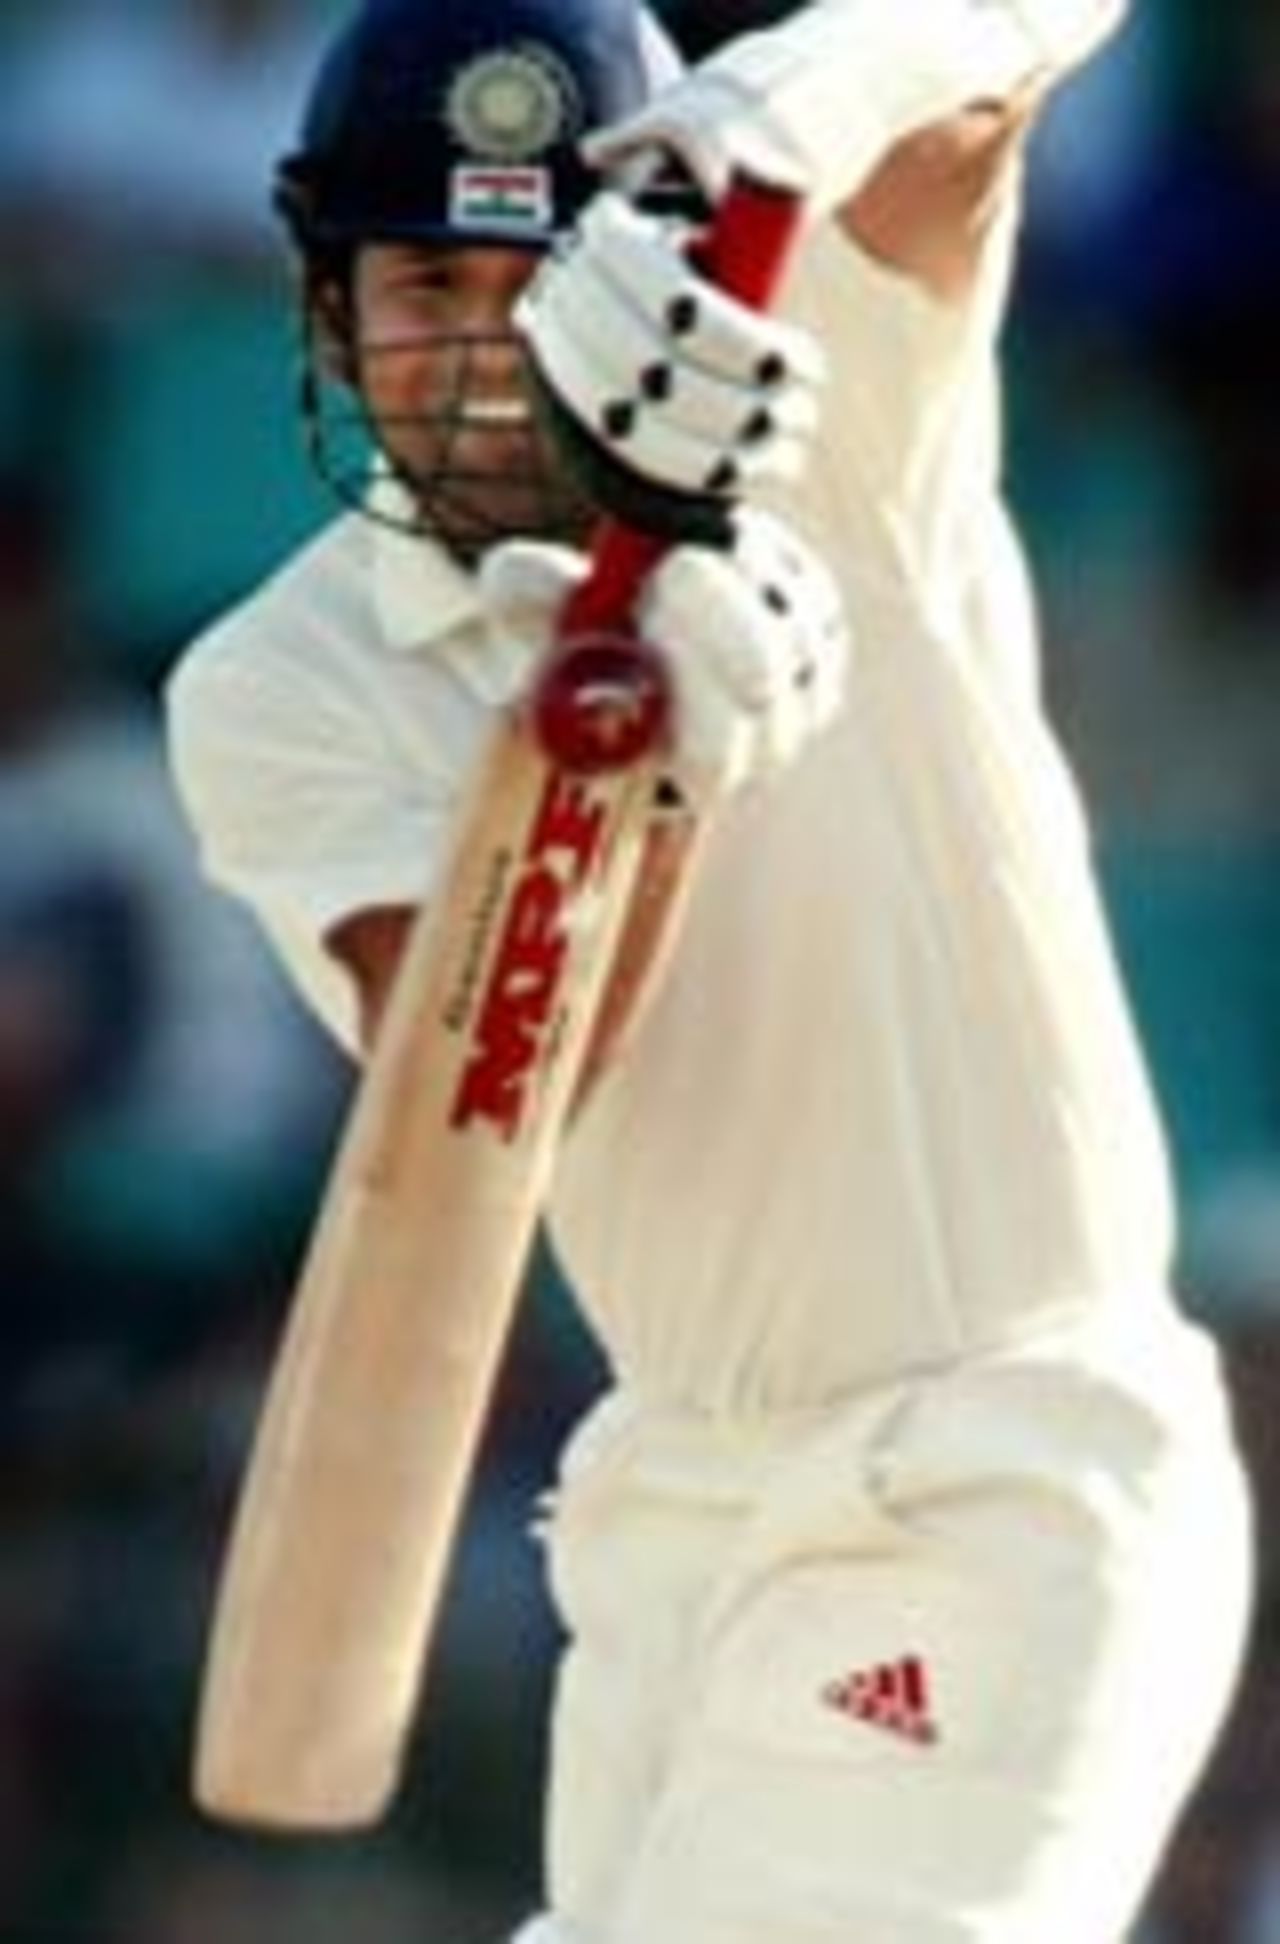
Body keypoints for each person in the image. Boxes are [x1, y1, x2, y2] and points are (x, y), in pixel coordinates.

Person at [166, 0, 1255, 1937]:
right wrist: (639, 773)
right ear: (330, 312)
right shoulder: (278, 685)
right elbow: (486, 1100)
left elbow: (1015, 59)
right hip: (664, 1513)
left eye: (538, 277)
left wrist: (818, 87)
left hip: (990, 1470)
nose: (487, 346)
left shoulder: (839, 392)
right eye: (426, 283)